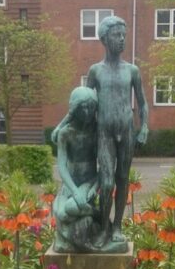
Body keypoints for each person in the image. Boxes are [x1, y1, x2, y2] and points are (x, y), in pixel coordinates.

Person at [86, 15, 148, 248]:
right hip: (104, 134)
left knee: (123, 179)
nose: (122, 39)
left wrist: (144, 127)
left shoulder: (132, 70)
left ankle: (118, 226)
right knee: (107, 181)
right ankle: (104, 227)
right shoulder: (95, 71)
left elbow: (142, 102)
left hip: (127, 132)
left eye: (124, 35)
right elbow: (86, 103)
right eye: (116, 35)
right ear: (104, 39)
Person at [52, 87, 99, 252]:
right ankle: (92, 212)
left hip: (89, 182)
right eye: (82, 107)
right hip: (70, 185)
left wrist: (93, 187)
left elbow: (105, 166)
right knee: (61, 214)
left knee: (71, 209)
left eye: (90, 107)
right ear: (74, 109)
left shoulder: (97, 131)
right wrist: (73, 190)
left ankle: (95, 213)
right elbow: (62, 166)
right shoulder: (65, 133)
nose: (87, 112)